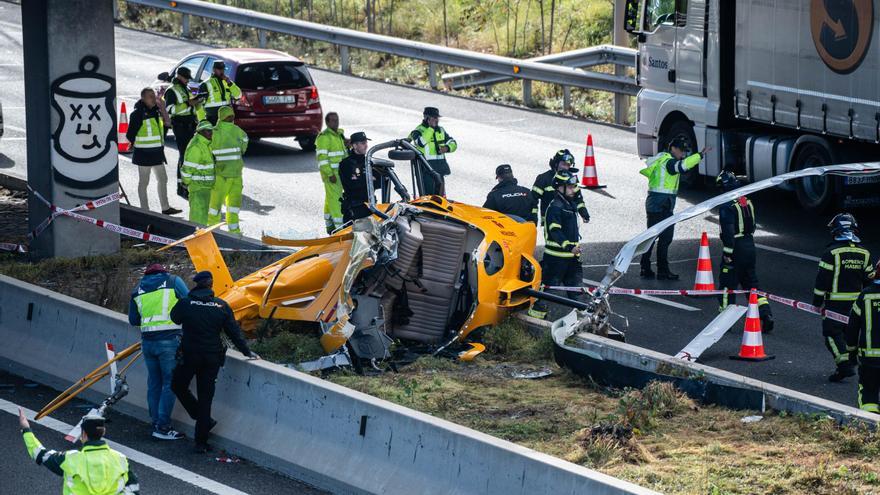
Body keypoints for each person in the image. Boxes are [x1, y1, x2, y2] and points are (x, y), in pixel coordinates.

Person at [170, 271, 259, 453]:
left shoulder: (186, 303)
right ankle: (201, 442)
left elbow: (174, 318)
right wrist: (247, 351)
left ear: (196, 285)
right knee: (206, 398)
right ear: (211, 286)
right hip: (212, 357)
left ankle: (197, 414)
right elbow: (233, 332)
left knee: (177, 385)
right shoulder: (221, 305)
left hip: (189, 355)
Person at [128, 263, 189, 440]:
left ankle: (155, 422)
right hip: (169, 340)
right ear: (164, 271)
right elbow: (188, 301)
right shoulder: (173, 281)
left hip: (148, 343)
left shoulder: (138, 288)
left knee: (154, 383)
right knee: (169, 383)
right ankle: (163, 427)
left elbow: (133, 320)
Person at [19, 408, 140, 494]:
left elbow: (39, 454)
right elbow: (133, 490)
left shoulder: (69, 458)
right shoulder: (121, 459)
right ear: (103, 432)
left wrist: (26, 429)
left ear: (83, 435)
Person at [814, 213, 873, 382]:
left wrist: (817, 302)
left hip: (835, 303)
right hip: (856, 304)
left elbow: (822, 280)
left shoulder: (830, 253)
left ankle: (844, 365)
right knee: (849, 335)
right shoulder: (864, 253)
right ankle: (847, 364)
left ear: (836, 231)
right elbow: (869, 278)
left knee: (831, 334)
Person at [638, 138, 707, 280]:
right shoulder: (669, 162)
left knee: (652, 237)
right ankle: (662, 271)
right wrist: (699, 155)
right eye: (681, 150)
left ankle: (645, 267)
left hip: (656, 203)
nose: (682, 154)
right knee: (665, 237)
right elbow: (682, 167)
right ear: (673, 148)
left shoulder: (662, 158)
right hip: (661, 204)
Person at [715, 170, 774, 332]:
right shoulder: (746, 201)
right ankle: (766, 314)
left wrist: (727, 253)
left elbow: (728, 232)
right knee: (752, 284)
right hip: (749, 245)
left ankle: (724, 321)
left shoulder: (727, 206)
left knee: (728, 285)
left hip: (736, 247)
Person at [528, 171, 584, 320]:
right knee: (546, 293)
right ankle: (535, 321)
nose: (573, 190)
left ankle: (582, 321)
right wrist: (569, 247)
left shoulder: (569, 204)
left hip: (571, 259)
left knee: (577, 293)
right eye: (570, 187)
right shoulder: (555, 207)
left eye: (574, 187)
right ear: (560, 188)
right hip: (555, 259)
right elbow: (555, 231)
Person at [126, 87, 181, 215]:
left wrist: (162, 108)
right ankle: (145, 210)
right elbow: (130, 134)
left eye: (153, 95)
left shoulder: (157, 111)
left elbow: (168, 123)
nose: (153, 98)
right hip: (143, 154)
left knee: (163, 179)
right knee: (144, 182)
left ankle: (165, 208)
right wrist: (135, 144)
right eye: (150, 96)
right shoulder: (137, 114)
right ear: (143, 98)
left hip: (157, 153)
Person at [163, 66, 204, 199]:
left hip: (190, 125)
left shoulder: (185, 89)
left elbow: (191, 106)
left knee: (190, 155)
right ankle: (181, 187)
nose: (187, 80)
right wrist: (188, 103)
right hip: (180, 126)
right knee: (184, 156)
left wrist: (198, 101)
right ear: (179, 76)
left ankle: (187, 184)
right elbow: (170, 109)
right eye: (186, 78)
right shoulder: (171, 91)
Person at [207, 105, 249, 235]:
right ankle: (234, 232)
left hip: (220, 176)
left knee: (215, 207)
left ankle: (213, 232)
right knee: (233, 207)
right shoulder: (239, 131)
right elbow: (244, 147)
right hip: (235, 175)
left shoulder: (213, 132)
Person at [845, 260, 880, 414]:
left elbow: (852, 327)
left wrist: (851, 352)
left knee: (868, 397)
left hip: (870, 359)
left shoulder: (865, 295)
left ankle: (870, 427)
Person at [530, 149, 590, 225]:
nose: (565, 167)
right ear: (556, 163)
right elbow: (533, 200)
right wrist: (533, 218)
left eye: (568, 165)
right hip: (549, 222)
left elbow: (578, 199)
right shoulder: (543, 179)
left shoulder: (570, 180)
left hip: (569, 220)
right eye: (563, 164)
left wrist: (584, 213)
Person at [410, 106, 456, 195]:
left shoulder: (441, 130)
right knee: (428, 198)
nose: (437, 120)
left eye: (437, 118)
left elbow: (453, 143)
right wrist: (431, 128)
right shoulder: (418, 130)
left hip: (440, 169)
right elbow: (421, 143)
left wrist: (447, 148)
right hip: (426, 170)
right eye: (434, 118)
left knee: (441, 198)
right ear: (427, 118)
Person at [315, 112, 348, 234]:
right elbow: (322, 159)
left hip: (339, 174)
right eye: (333, 120)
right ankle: (339, 229)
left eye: (337, 120)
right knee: (336, 200)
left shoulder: (339, 135)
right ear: (327, 122)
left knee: (330, 199)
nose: (336, 122)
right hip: (332, 176)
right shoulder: (324, 138)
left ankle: (329, 225)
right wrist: (330, 174)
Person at [339, 131, 382, 223]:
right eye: (363, 143)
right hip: (355, 210)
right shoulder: (346, 164)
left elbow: (381, 182)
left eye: (366, 142)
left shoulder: (369, 162)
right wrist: (370, 179)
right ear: (354, 146)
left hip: (371, 207)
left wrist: (365, 180)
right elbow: (353, 185)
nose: (366, 145)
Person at [181, 120, 215, 225]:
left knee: (203, 217)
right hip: (198, 188)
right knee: (197, 219)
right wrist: (186, 182)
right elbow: (188, 168)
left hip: (205, 187)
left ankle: (202, 239)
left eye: (211, 131)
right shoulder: (196, 146)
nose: (211, 133)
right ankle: (196, 240)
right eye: (208, 131)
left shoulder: (205, 143)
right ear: (201, 132)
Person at [198, 61, 241, 125]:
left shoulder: (228, 82)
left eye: (223, 69)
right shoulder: (206, 84)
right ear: (214, 70)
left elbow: (238, 95)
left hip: (227, 117)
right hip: (213, 118)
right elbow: (199, 105)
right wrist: (202, 121)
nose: (222, 71)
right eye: (219, 69)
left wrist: (230, 83)